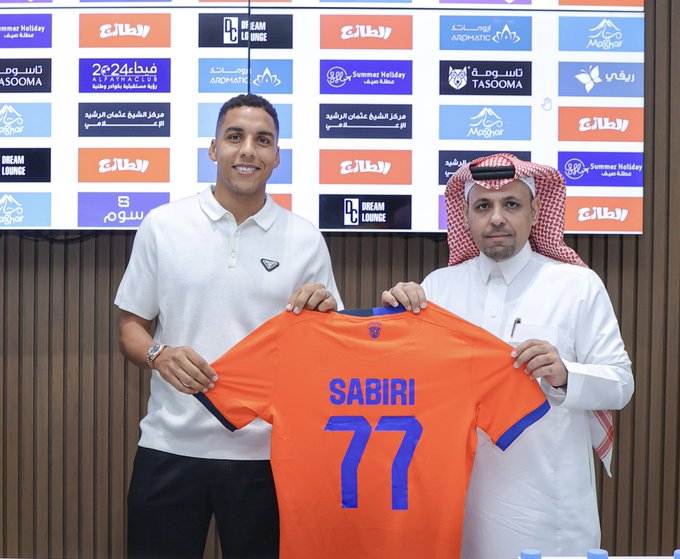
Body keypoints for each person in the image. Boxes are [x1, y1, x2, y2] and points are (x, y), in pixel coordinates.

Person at [114, 93, 342, 559]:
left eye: (263, 140)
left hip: (268, 457)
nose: (248, 150)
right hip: (169, 447)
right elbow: (130, 328)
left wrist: (322, 316)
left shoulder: (305, 237)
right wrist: (160, 355)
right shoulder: (162, 225)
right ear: (213, 148)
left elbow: (328, 345)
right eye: (234, 136)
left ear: (277, 156)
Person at [382, 153, 634, 559]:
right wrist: (391, 323)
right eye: (483, 206)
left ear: (536, 213)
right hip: (458, 506)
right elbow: (406, 388)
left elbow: (621, 384)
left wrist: (566, 374)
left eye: (511, 205)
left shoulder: (577, 285)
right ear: (465, 217)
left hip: (548, 507)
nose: (496, 217)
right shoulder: (437, 289)